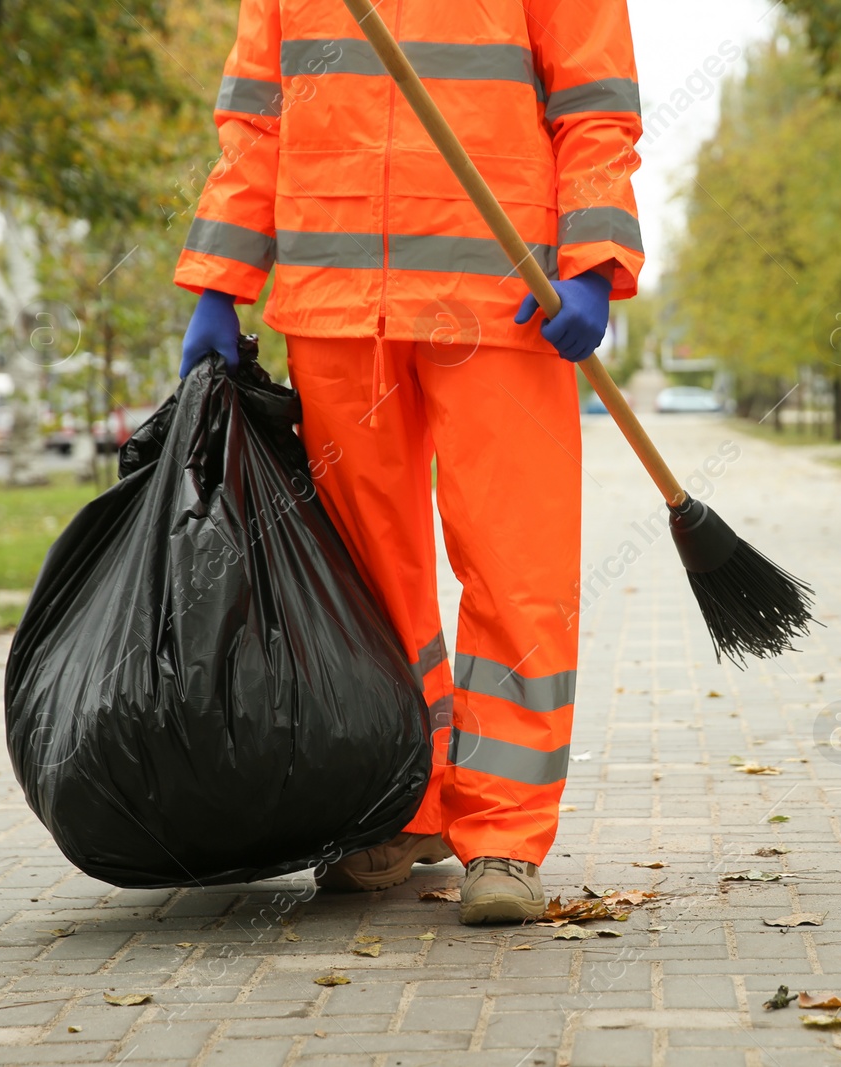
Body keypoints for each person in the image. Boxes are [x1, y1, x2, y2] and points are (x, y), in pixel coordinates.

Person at [173, 0, 643, 924]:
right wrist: (219, 283)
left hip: (504, 298)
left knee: (517, 567)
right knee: (364, 578)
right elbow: (256, 118)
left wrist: (592, 259)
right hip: (337, 303)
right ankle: (401, 803)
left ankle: (503, 834)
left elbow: (595, 102)